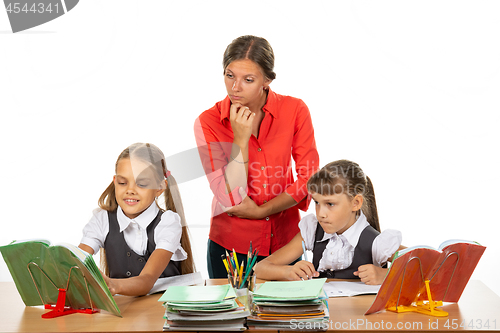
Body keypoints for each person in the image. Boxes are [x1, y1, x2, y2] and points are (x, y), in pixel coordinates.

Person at [194, 35, 320, 278]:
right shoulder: (208, 122)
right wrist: (240, 140)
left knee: (285, 314)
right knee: (232, 314)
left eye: (248, 79)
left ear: (267, 80)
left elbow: (309, 180)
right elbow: (229, 196)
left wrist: (263, 211)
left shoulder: (295, 110)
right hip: (231, 247)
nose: (235, 87)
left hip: (285, 245)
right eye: (229, 75)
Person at [254, 160, 403, 285]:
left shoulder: (377, 242)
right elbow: (260, 268)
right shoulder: (312, 231)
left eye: (330, 204)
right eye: (317, 202)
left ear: (356, 203)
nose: (321, 214)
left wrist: (386, 274)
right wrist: (288, 271)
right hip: (320, 316)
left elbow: (424, 267)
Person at [79, 143, 195, 296]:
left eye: (142, 184)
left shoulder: (167, 223)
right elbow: (77, 260)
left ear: (160, 187)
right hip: (124, 313)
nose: (130, 190)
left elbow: (146, 280)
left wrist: (113, 284)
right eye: (122, 183)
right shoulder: (102, 219)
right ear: (115, 182)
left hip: (162, 310)